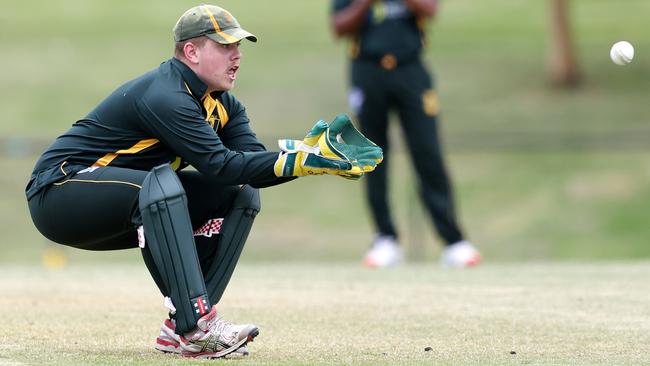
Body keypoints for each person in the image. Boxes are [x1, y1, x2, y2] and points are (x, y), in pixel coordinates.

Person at [26, 4, 381, 359]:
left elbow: (245, 169)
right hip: (58, 193)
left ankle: (180, 327)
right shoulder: (166, 95)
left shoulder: (226, 105)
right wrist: (299, 163)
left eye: (239, 47)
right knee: (162, 183)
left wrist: (305, 156)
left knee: (241, 193)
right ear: (191, 52)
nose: (237, 56)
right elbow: (220, 164)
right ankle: (198, 326)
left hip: (130, 201)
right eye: (226, 46)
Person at [330, 0, 481, 268]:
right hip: (368, 71)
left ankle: (453, 240)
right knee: (370, 155)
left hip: (411, 70)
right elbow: (339, 27)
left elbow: (430, 10)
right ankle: (385, 238)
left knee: (428, 153)